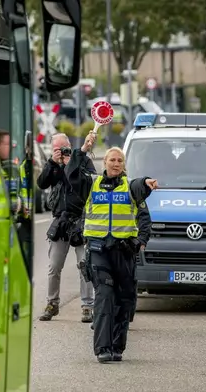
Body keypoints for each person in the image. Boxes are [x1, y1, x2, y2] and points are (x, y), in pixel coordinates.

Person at [73, 136, 157, 363]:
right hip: (99, 250)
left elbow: (141, 192)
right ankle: (102, 348)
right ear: (105, 163)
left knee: (124, 299)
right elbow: (73, 175)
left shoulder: (130, 186)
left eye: (120, 160)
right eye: (112, 159)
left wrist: (141, 240)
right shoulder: (92, 184)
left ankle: (117, 346)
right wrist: (83, 150)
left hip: (123, 251)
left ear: (124, 164)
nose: (116, 163)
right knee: (105, 295)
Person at [37, 133, 95, 322]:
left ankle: (87, 305)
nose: (62, 152)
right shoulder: (53, 165)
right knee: (54, 266)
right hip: (60, 221)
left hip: (80, 219)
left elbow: (89, 183)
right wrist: (52, 163)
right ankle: (52, 304)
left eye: (64, 148)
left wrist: (72, 162)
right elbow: (41, 183)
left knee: (84, 265)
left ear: (70, 145)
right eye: (58, 149)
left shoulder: (82, 161)